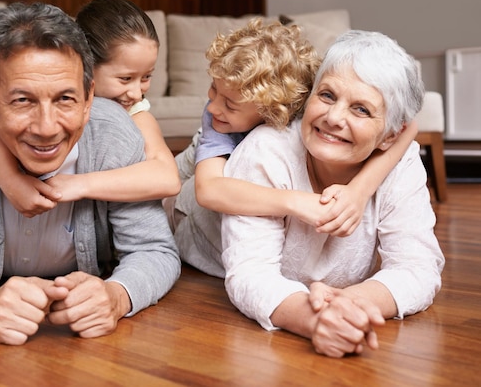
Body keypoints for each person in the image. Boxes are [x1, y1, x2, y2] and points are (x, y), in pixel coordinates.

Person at [0, 2, 180, 346]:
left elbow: (154, 251)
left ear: (89, 99)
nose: (46, 129)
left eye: (65, 98)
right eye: (22, 101)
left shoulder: (116, 130)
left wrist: (117, 295)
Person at [221, 30, 445, 358]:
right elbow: (250, 274)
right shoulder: (266, 150)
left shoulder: (401, 161)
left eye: (361, 110)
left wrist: (350, 304)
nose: (334, 118)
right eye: (326, 95)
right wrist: (314, 320)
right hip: (196, 233)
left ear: (389, 137)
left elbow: (418, 266)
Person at [166, 19, 418, 278]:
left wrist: (359, 191)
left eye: (230, 104)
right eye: (212, 91)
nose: (212, 107)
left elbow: (409, 127)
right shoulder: (217, 121)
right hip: (179, 202)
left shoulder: (305, 102)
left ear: (272, 109)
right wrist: (297, 202)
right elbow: (209, 191)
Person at [0, 0, 180, 218]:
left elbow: (168, 177)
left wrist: (78, 185)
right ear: (86, 64)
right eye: (125, 78)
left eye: (146, 76)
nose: (137, 93)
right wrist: (10, 180)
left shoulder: (136, 114)